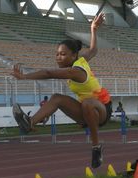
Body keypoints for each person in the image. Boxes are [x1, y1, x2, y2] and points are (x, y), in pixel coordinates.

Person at [12, 12, 112, 169]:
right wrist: (93, 28)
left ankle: (96, 147)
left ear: (73, 56)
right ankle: (30, 123)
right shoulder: (80, 58)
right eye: (57, 54)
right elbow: (92, 50)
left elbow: (48, 73)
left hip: (101, 109)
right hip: (85, 111)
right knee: (57, 98)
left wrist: (24, 77)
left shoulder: (76, 71)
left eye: (63, 54)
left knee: (87, 103)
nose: (58, 57)